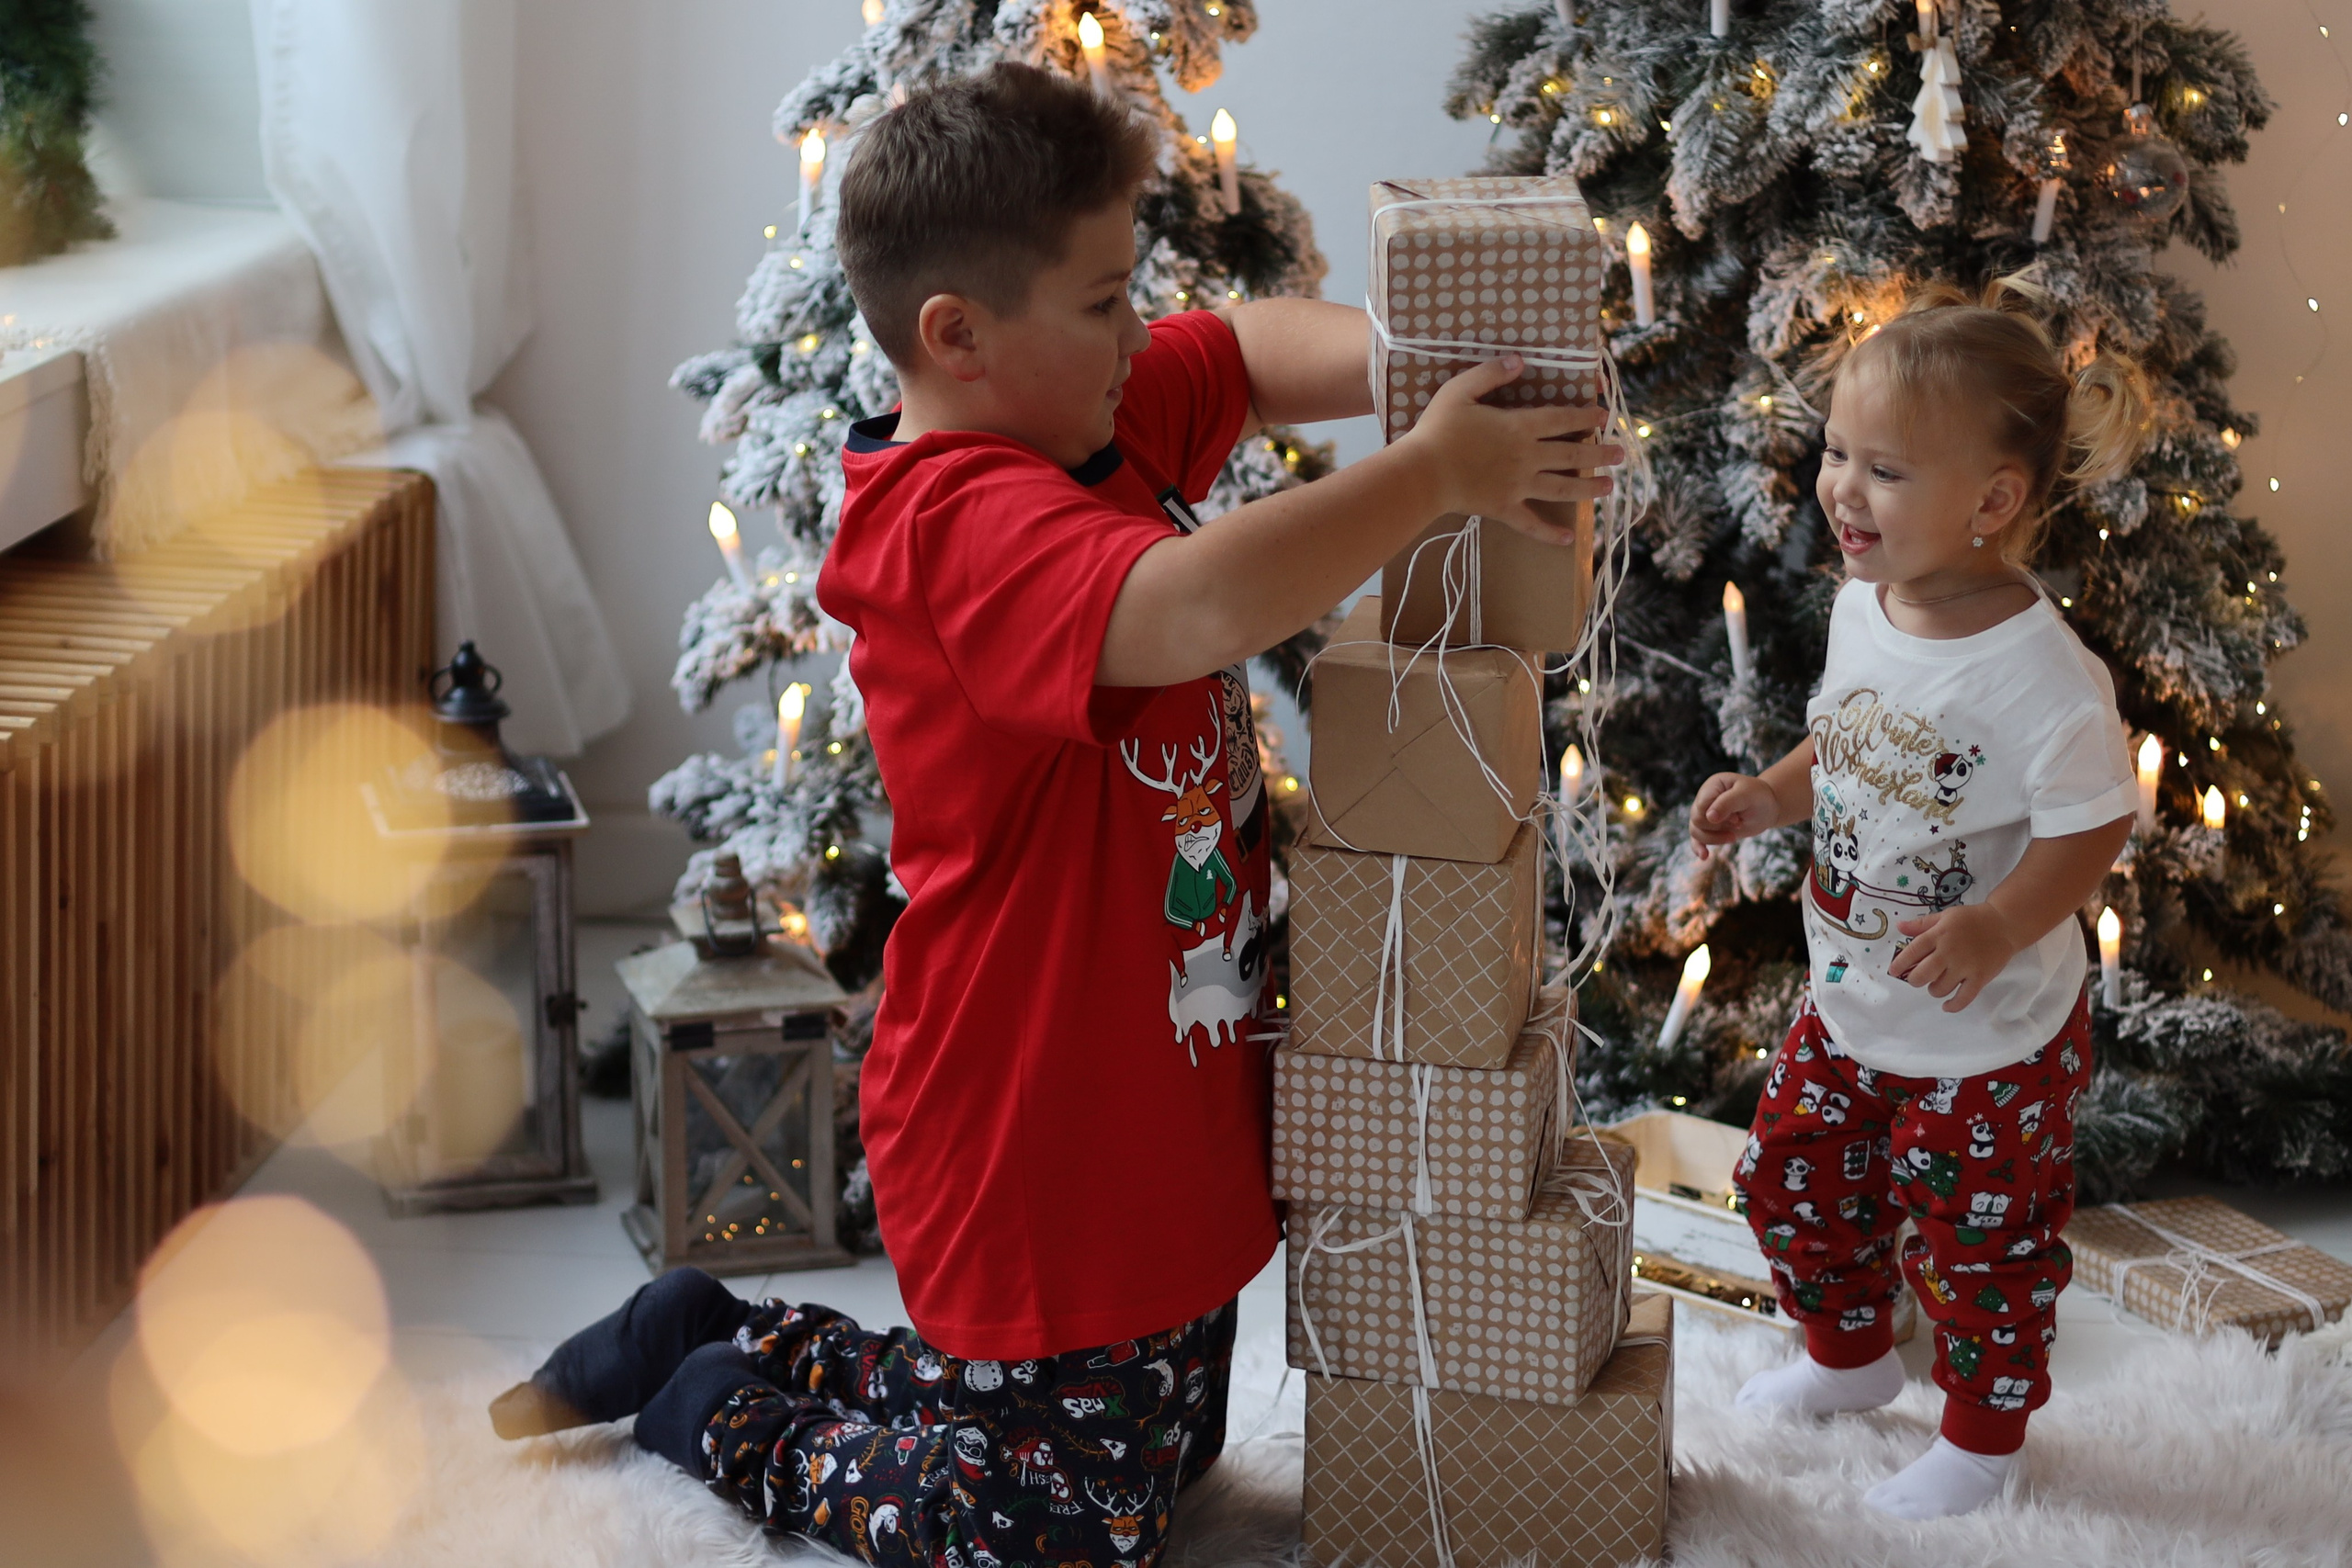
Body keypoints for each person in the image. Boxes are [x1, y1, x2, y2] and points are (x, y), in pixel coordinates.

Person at [490, 62, 1620, 1566]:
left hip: (1158, 1112)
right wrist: (1429, 474)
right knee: (1054, 1528)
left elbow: (1246, 351)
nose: (1134, 331)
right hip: (1033, 1143)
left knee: (1151, 1456)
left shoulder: (1079, 419)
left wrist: (1434, 370)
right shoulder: (956, 526)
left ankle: (724, 1328)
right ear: (958, 336)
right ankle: (717, 1406)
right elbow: (1197, 602)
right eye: (1100, 302)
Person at [1690, 271, 2148, 1520]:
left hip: (1988, 1044)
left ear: (1993, 501)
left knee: (1980, 1244)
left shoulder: (2045, 677)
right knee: (1791, 1176)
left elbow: (2097, 823)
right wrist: (1773, 798)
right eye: (1838, 451)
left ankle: (1983, 1443)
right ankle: (1845, 1360)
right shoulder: (1864, 606)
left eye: (1885, 470)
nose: (1842, 485)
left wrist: (2003, 922)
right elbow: (1841, 737)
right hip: (1853, 1003)